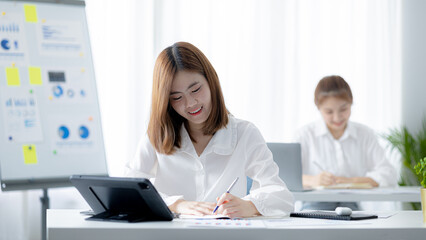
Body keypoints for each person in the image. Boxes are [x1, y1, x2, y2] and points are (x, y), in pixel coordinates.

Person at [125, 42, 294, 218]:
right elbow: (129, 188)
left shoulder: (245, 133)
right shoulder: (158, 135)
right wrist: (177, 204)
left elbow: (281, 196)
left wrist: (250, 205)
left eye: (196, 90)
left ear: (211, 81)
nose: (190, 103)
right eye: (177, 97)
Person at [294, 75, 397, 210]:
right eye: (329, 112)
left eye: (343, 109)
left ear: (351, 103)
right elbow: (287, 177)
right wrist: (313, 180)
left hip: (352, 206)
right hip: (313, 205)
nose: (337, 117)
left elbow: (388, 173)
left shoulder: (365, 134)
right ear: (318, 108)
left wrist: (352, 181)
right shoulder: (304, 134)